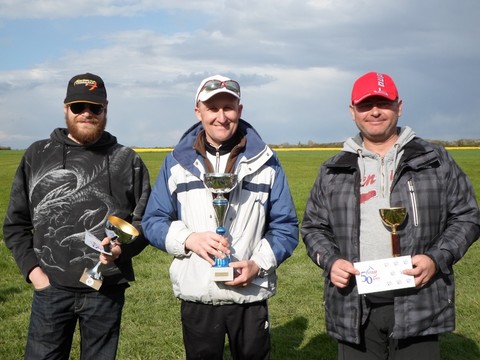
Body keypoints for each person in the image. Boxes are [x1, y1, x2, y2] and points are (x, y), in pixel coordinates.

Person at [301, 71, 480, 360]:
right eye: (364, 104)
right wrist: (331, 261)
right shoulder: (333, 169)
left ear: (399, 106)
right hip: (353, 303)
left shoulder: (435, 159)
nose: (374, 111)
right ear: (352, 112)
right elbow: (313, 227)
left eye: (383, 103)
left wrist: (436, 259)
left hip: (419, 301)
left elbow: (468, 216)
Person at [142, 74, 299, 359]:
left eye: (229, 107)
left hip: (249, 293)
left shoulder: (267, 162)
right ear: (198, 111)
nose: (221, 117)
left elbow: (285, 226)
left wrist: (257, 264)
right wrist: (189, 239)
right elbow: (153, 221)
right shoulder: (175, 163)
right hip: (198, 294)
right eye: (213, 108)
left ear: (240, 110)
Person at [3, 72, 151, 359]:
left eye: (95, 108)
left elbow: (145, 221)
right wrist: (35, 274)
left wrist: (123, 248)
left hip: (105, 291)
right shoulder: (37, 155)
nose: (86, 113)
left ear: (105, 109)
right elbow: (15, 224)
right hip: (50, 289)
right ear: (65, 108)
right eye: (78, 107)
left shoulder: (127, 160)